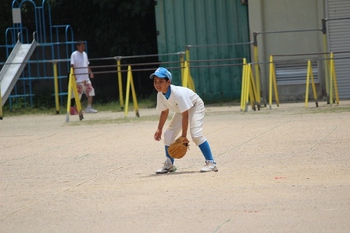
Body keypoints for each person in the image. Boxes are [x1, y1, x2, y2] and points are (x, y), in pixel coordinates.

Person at [150, 67, 218, 174]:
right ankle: (169, 164)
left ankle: (211, 163)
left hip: (195, 106)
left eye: (161, 81)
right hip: (181, 110)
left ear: (168, 82)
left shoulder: (178, 94)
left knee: (196, 134)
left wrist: (184, 136)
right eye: (155, 81)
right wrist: (159, 129)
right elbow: (164, 112)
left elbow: (185, 115)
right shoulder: (160, 94)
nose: (157, 84)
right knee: (168, 135)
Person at [70, 41, 97, 113]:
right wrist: (74, 75)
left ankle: (89, 107)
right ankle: (76, 109)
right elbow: (72, 65)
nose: (83, 47)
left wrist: (90, 72)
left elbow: (87, 64)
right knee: (78, 95)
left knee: (91, 91)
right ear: (78, 46)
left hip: (86, 78)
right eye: (82, 46)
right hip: (79, 79)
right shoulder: (74, 54)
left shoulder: (85, 54)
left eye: (84, 46)